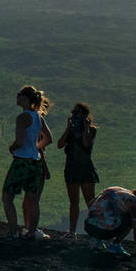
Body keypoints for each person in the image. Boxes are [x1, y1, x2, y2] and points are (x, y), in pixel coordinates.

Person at [0, 85, 54, 238]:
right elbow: (48, 139)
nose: (17, 97)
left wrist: (12, 148)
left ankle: (12, 232)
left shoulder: (22, 118)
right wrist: (35, 147)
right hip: (35, 162)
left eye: (19, 94)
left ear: (25, 98)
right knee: (33, 199)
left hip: (21, 161)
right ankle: (31, 231)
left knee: (7, 197)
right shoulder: (38, 116)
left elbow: (19, 141)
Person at [56, 102, 99, 238]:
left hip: (85, 168)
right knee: (73, 202)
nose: (74, 116)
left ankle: (95, 232)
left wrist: (85, 128)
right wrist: (68, 129)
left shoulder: (92, 130)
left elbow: (87, 144)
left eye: (77, 114)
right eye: (73, 113)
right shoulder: (71, 130)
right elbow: (60, 144)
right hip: (72, 167)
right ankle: (72, 231)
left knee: (90, 202)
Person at [84, 185, 136, 256]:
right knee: (132, 220)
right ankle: (115, 245)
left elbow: (90, 203)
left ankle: (96, 241)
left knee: (106, 213)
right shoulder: (135, 204)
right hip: (105, 232)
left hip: (88, 227)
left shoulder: (112, 189)